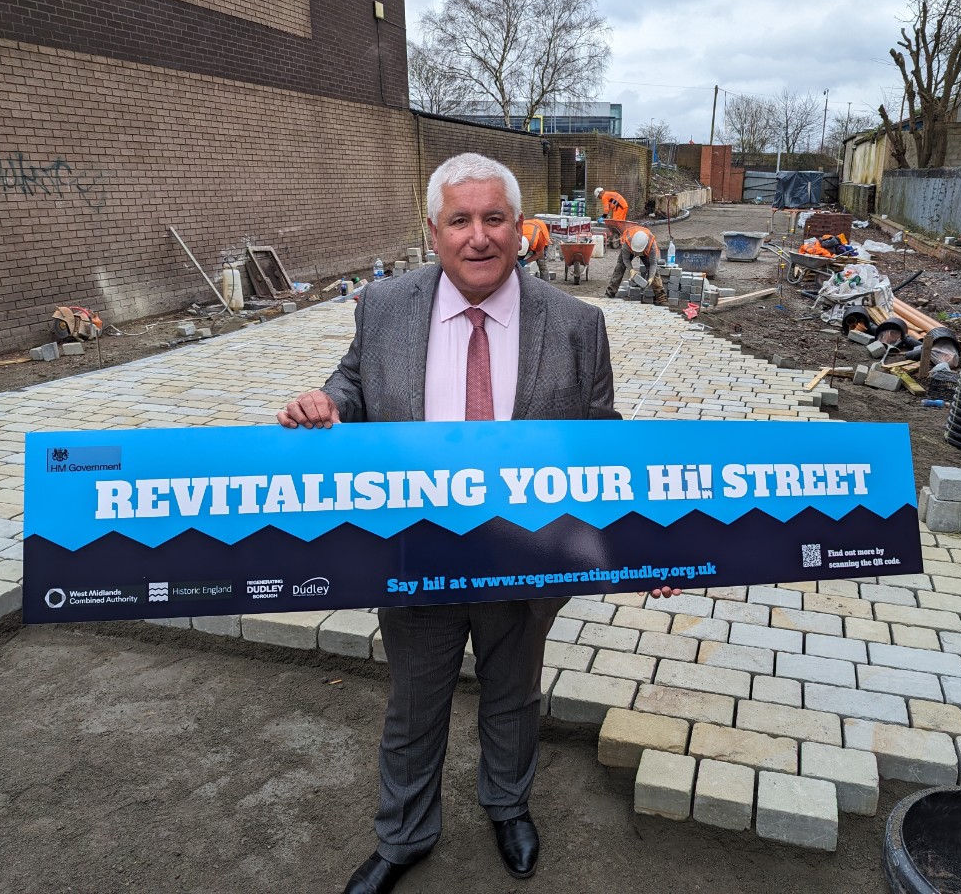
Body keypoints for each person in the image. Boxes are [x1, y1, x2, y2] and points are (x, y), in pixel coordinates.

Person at [277, 153, 679, 894]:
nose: (478, 236)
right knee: (413, 703)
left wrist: (645, 540)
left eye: (494, 218)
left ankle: (507, 806)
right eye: (459, 220)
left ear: (518, 228)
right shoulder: (386, 306)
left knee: (514, 695)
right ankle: (403, 838)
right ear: (433, 231)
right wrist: (325, 404)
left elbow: (602, 440)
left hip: (528, 561)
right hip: (414, 554)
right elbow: (354, 383)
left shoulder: (577, 324)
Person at [606, 223, 667, 305]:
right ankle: (610, 292)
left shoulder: (651, 245)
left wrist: (651, 277)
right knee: (620, 266)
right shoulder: (627, 242)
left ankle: (661, 297)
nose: (637, 254)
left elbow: (653, 264)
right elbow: (625, 259)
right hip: (630, 247)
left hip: (645, 251)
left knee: (654, 271)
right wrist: (631, 270)